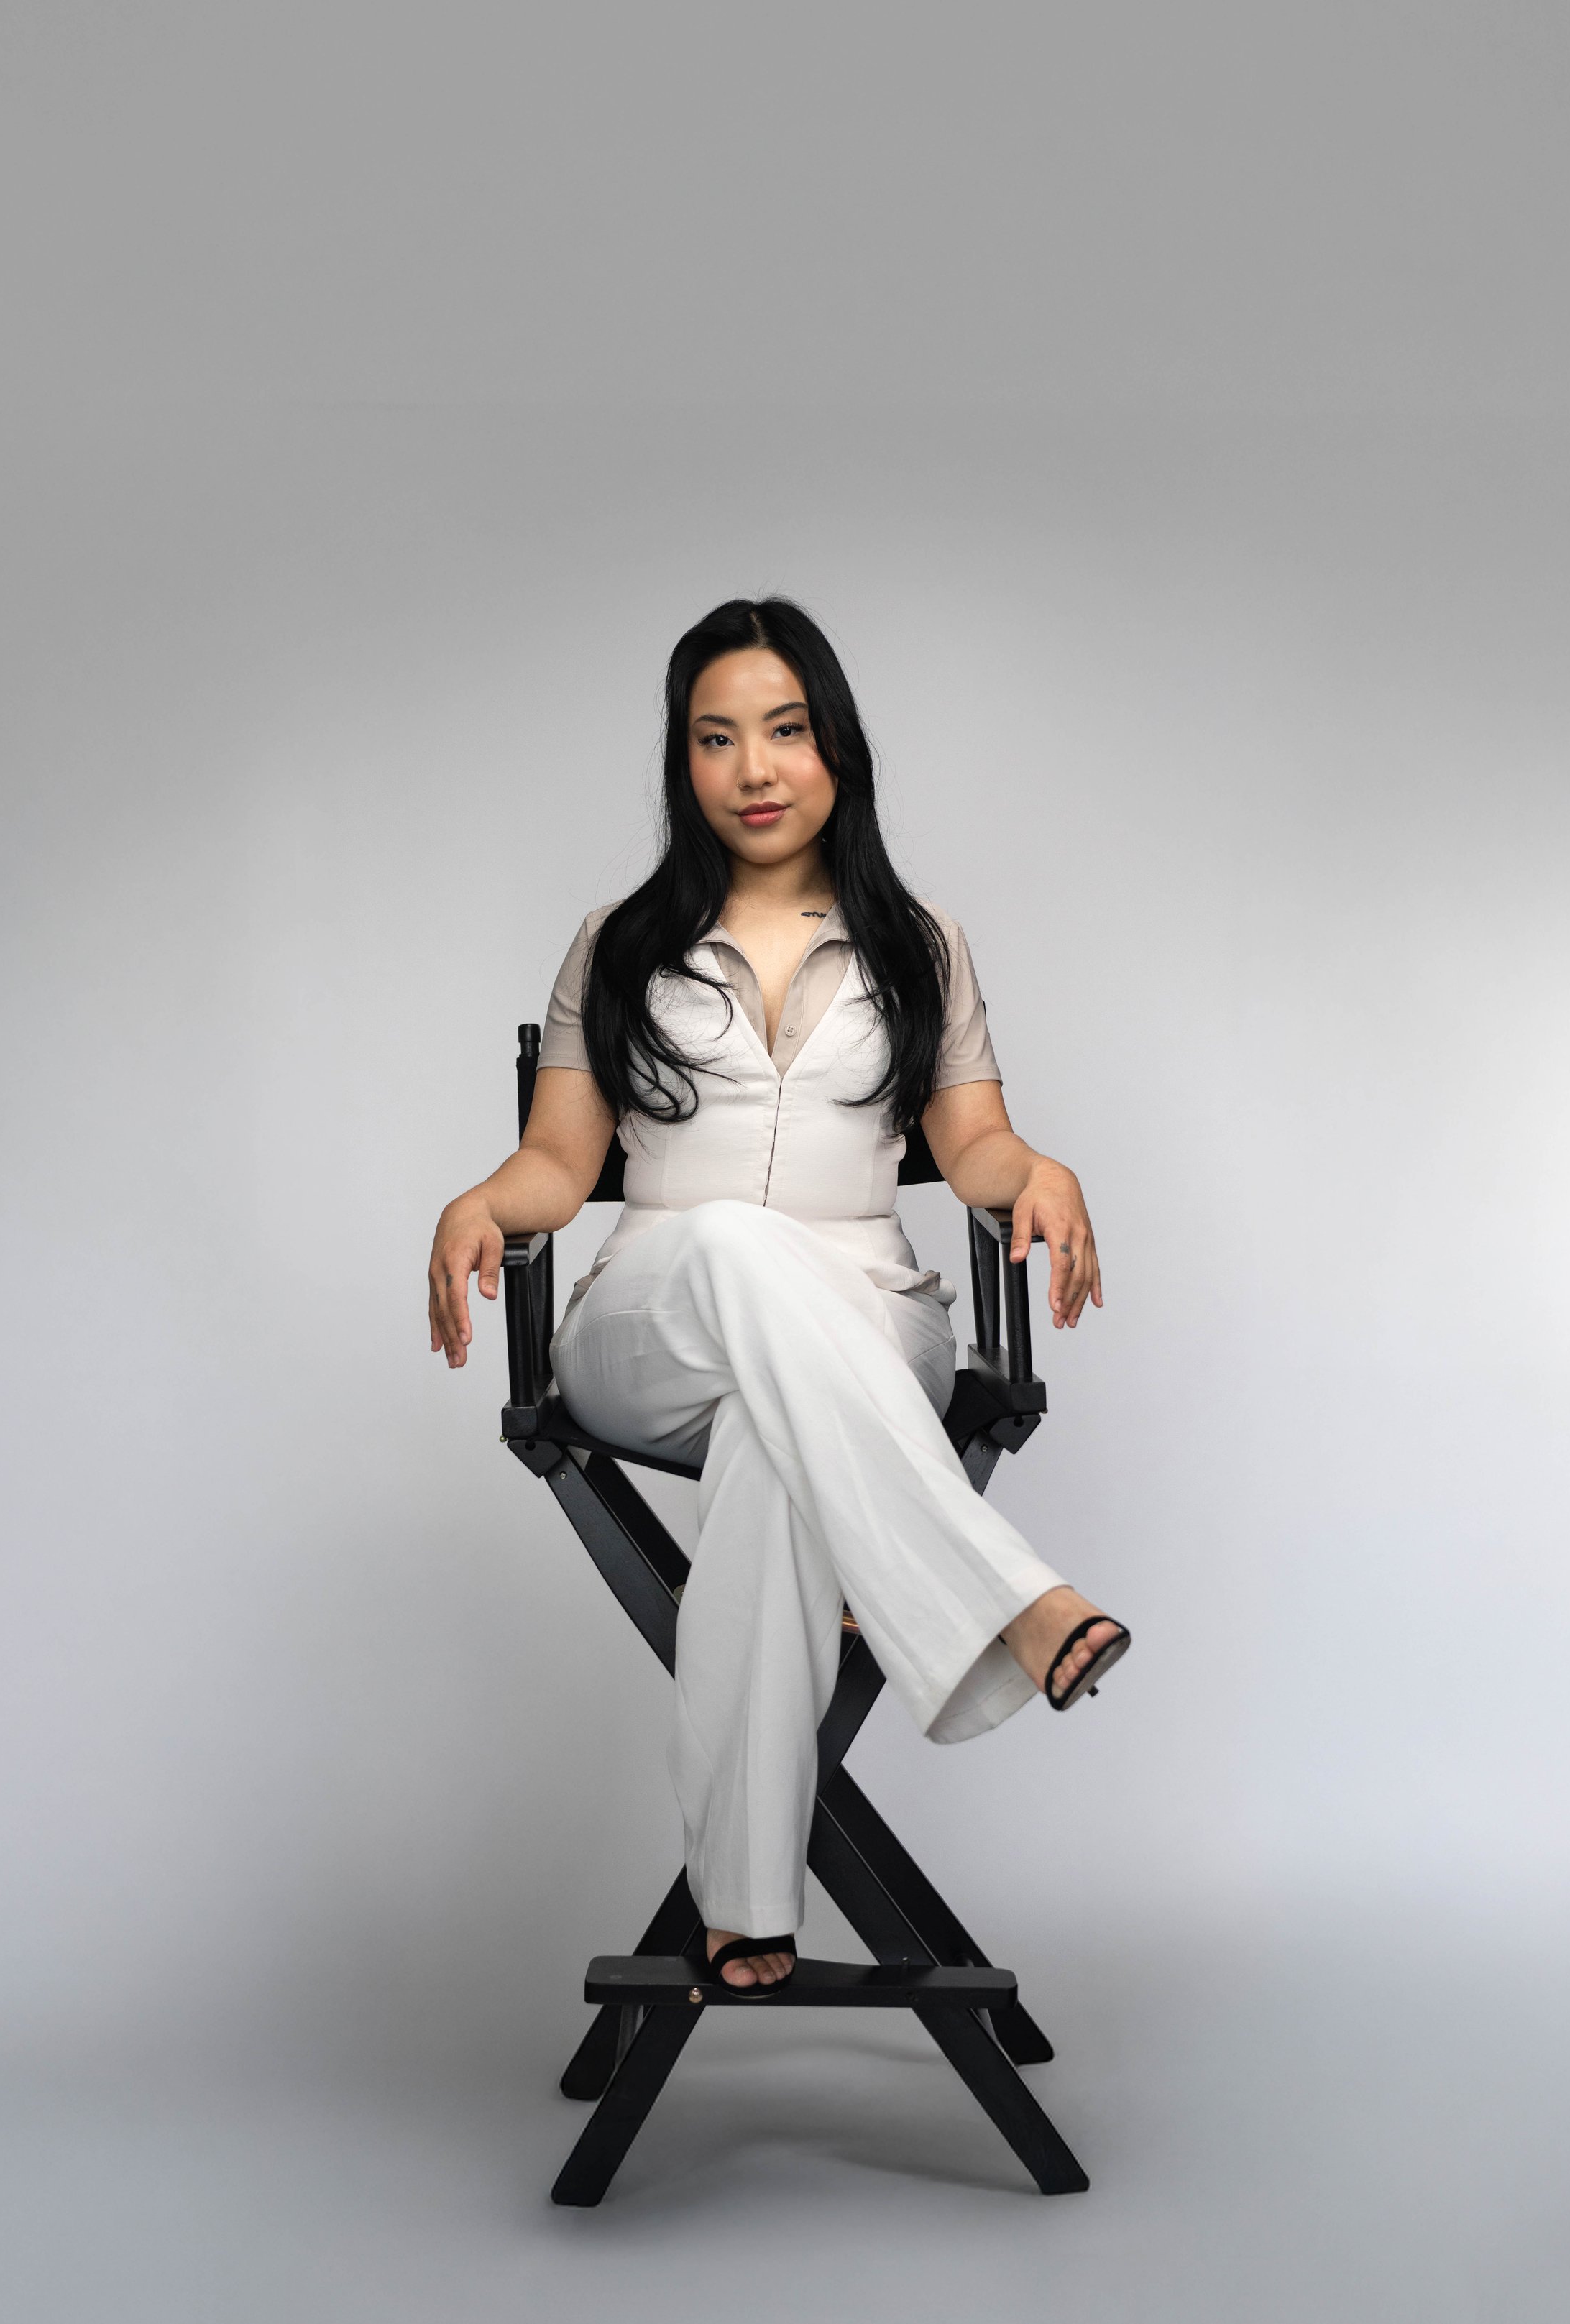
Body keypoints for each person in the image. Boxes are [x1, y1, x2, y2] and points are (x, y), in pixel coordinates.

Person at [428, 597, 1130, 1996]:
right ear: (682, 765)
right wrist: (480, 1202)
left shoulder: (917, 942)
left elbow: (971, 1140)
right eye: (714, 739)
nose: (752, 768)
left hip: (867, 1328)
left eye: (784, 731)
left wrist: (1029, 1165)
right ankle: (1005, 1603)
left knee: (776, 1438)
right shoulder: (616, 944)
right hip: (652, 1322)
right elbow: (563, 1167)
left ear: (833, 749)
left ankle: (741, 1907)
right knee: (739, 1246)